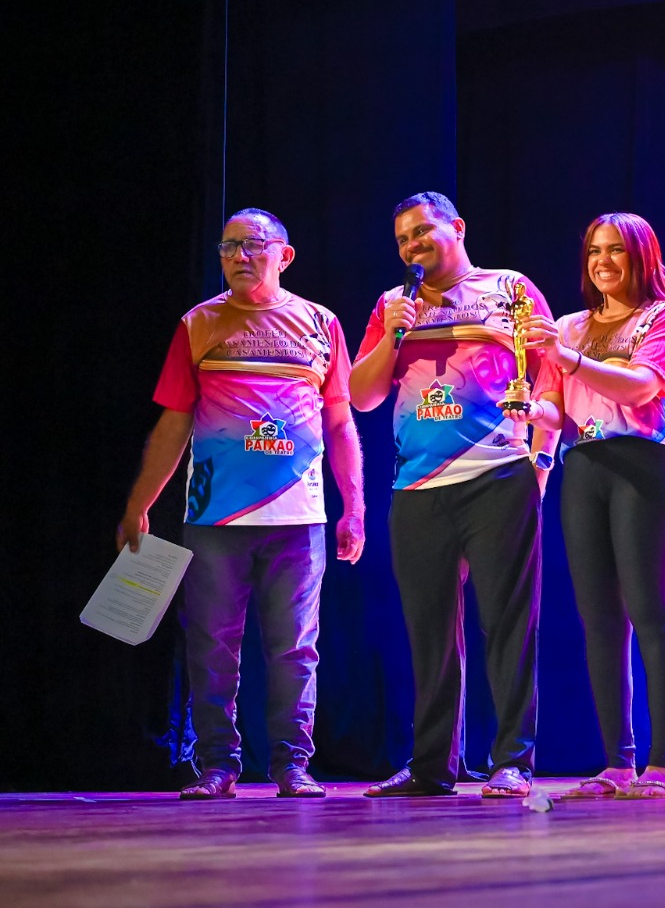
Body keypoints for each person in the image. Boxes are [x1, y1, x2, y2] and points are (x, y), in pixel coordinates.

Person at [116, 208, 365, 800]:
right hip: (214, 520)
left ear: (284, 255)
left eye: (251, 244)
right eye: (228, 247)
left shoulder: (320, 323)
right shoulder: (198, 323)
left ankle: (292, 765)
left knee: (295, 649)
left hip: (298, 520)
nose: (238, 256)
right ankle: (217, 766)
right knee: (211, 646)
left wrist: (353, 507)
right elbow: (173, 423)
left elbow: (339, 422)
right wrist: (138, 504)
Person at [349, 191, 555, 800]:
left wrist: (542, 459)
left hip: (498, 475)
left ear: (457, 228)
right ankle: (432, 766)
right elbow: (362, 395)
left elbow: (549, 376)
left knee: (508, 624)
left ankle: (512, 762)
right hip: (417, 486)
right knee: (430, 633)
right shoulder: (393, 305)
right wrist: (392, 336)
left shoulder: (509, 289)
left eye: (421, 232)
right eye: (402, 239)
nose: (411, 246)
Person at [515, 213, 665, 799]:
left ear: (641, 257)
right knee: (599, 620)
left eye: (616, 250)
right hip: (584, 468)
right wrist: (525, 409)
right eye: (594, 251)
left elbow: (641, 386)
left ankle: (662, 764)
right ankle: (617, 764)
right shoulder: (569, 326)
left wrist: (566, 359)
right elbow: (552, 407)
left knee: (652, 611)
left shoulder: (663, 318)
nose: (603, 262)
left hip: (646, 468)